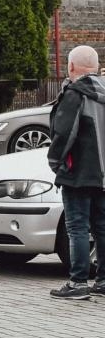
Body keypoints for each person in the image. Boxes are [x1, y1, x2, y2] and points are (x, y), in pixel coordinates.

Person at [46, 45, 105, 300]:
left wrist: (56, 163)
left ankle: (79, 282)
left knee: (78, 227)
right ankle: (102, 281)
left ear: (71, 67)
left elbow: (64, 134)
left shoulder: (74, 94)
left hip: (78, 171)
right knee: (102, 227)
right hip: (103, 175)